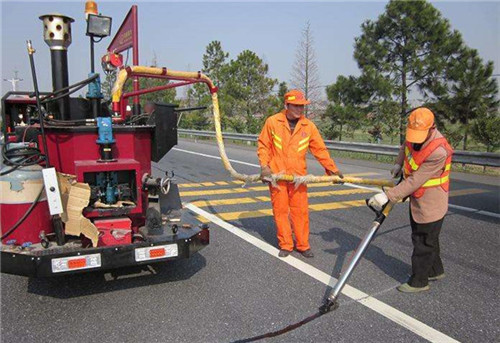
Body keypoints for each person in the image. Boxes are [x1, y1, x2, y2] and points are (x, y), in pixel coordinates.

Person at [368, 107, 453, 293]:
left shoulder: (439, 151)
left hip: (432, 202)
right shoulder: (414, 136)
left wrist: (387, 196)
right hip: (418, 198)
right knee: (429, 238)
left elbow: (415, 180)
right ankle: (435, 270)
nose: (414, 137)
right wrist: (399, 164)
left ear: (432, 128)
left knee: (422, 241)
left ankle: (419, 281)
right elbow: (405, 147)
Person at [257, 89, 343, 258]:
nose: (299, 110)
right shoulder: (273, 122)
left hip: (298, 177)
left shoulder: (308, 126)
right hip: (278, 176)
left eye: (301, 106)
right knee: (281, 211)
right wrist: (265, 167)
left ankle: (303, 245)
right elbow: (264, 146)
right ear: (286, 105)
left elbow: (320, 150)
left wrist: (332, 169)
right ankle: (286, 245)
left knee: (300, 211)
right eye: (295, 106)